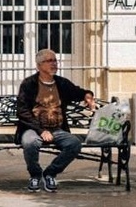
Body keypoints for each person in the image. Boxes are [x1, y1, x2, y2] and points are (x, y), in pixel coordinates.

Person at [15, 47, 97, 194]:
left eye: (55, 60)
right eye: (49, 61)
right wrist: (41, 130)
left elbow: (79, 92)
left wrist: (88, 96)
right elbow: (22, 111)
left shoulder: (61, 83)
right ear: (39, 65)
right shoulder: (29, 84)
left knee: (74, 144)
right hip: (33, 129)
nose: (54, 64)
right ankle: (35, 174)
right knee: (30, 142)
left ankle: (50, 173)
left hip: (57, 129)